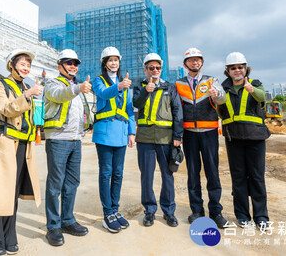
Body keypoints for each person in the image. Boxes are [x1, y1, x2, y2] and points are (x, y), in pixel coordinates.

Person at [0, 49, 43, 256]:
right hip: (4, 144)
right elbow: (6, 109)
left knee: (13, 194)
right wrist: (27, 95)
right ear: (11, 65)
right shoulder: (0, 85)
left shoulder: (27, 87)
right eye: (22, 64)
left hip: (23, 146)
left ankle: (9, 238)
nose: (26, 68)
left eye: (28, 65)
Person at [43, 49, 93, 246]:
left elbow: (81, 111)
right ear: (59, 65)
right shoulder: (53, 83)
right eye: (69, 62)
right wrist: (78, 88)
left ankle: (68, 220)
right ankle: (53, 226)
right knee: (55, 184)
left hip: (75, 140)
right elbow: (58, 96)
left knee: (72, 182)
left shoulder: (77, 87)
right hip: (58, 138)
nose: (73, 66)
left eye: (75, 63)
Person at [175, 48, 228, 228]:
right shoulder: (179, 83)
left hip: (209, 133)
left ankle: (216, 211)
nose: (195, 63)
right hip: (189, 134)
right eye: (191, 60)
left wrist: (217, 95)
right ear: (185, 64)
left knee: (212, 173)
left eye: (198, 60)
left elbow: (222, 99)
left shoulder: (211, 81)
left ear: (202, 63)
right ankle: (197, 210)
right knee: (192, 173)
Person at [217, 52, 271, 228]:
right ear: (228, 71)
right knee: (238, 178)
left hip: (255, 138)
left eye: (240, 67)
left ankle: (261, 216)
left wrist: (252, 90)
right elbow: (220, 110)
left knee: (256, 177)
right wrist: (215, 97)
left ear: (245, 68)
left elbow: (262, 97)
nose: (237, 70)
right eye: (233, 68)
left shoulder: (255, 84)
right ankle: (242, 215)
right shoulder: (223, 88)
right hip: (234, 139)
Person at [133, 53, 183, 227]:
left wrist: (177, 136)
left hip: (165, 138)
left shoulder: (170, 88)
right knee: (146, 175)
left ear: (161, 69)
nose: (155, 70)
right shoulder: (140, 87)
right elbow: (137, 105)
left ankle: (169, 211)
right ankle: (149, 211)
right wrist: (146, 93)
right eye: (151, 68)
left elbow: (177, 111)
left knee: (167, 175)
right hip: (145, 138)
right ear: (145, 69)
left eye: (158, 68)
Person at [92, 47, 136, 233]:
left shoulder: (124, 83)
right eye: (110, 60)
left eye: (116, 60)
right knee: (106, 173)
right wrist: (118, 86)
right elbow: (103, 94)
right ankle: (107, 213)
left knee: (118, 173)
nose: (113, 63)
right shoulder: (98, 80)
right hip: (104, 132)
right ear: (104, 63)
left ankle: (115, 210)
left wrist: (131, 132)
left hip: (120, 133)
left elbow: (129, 110)